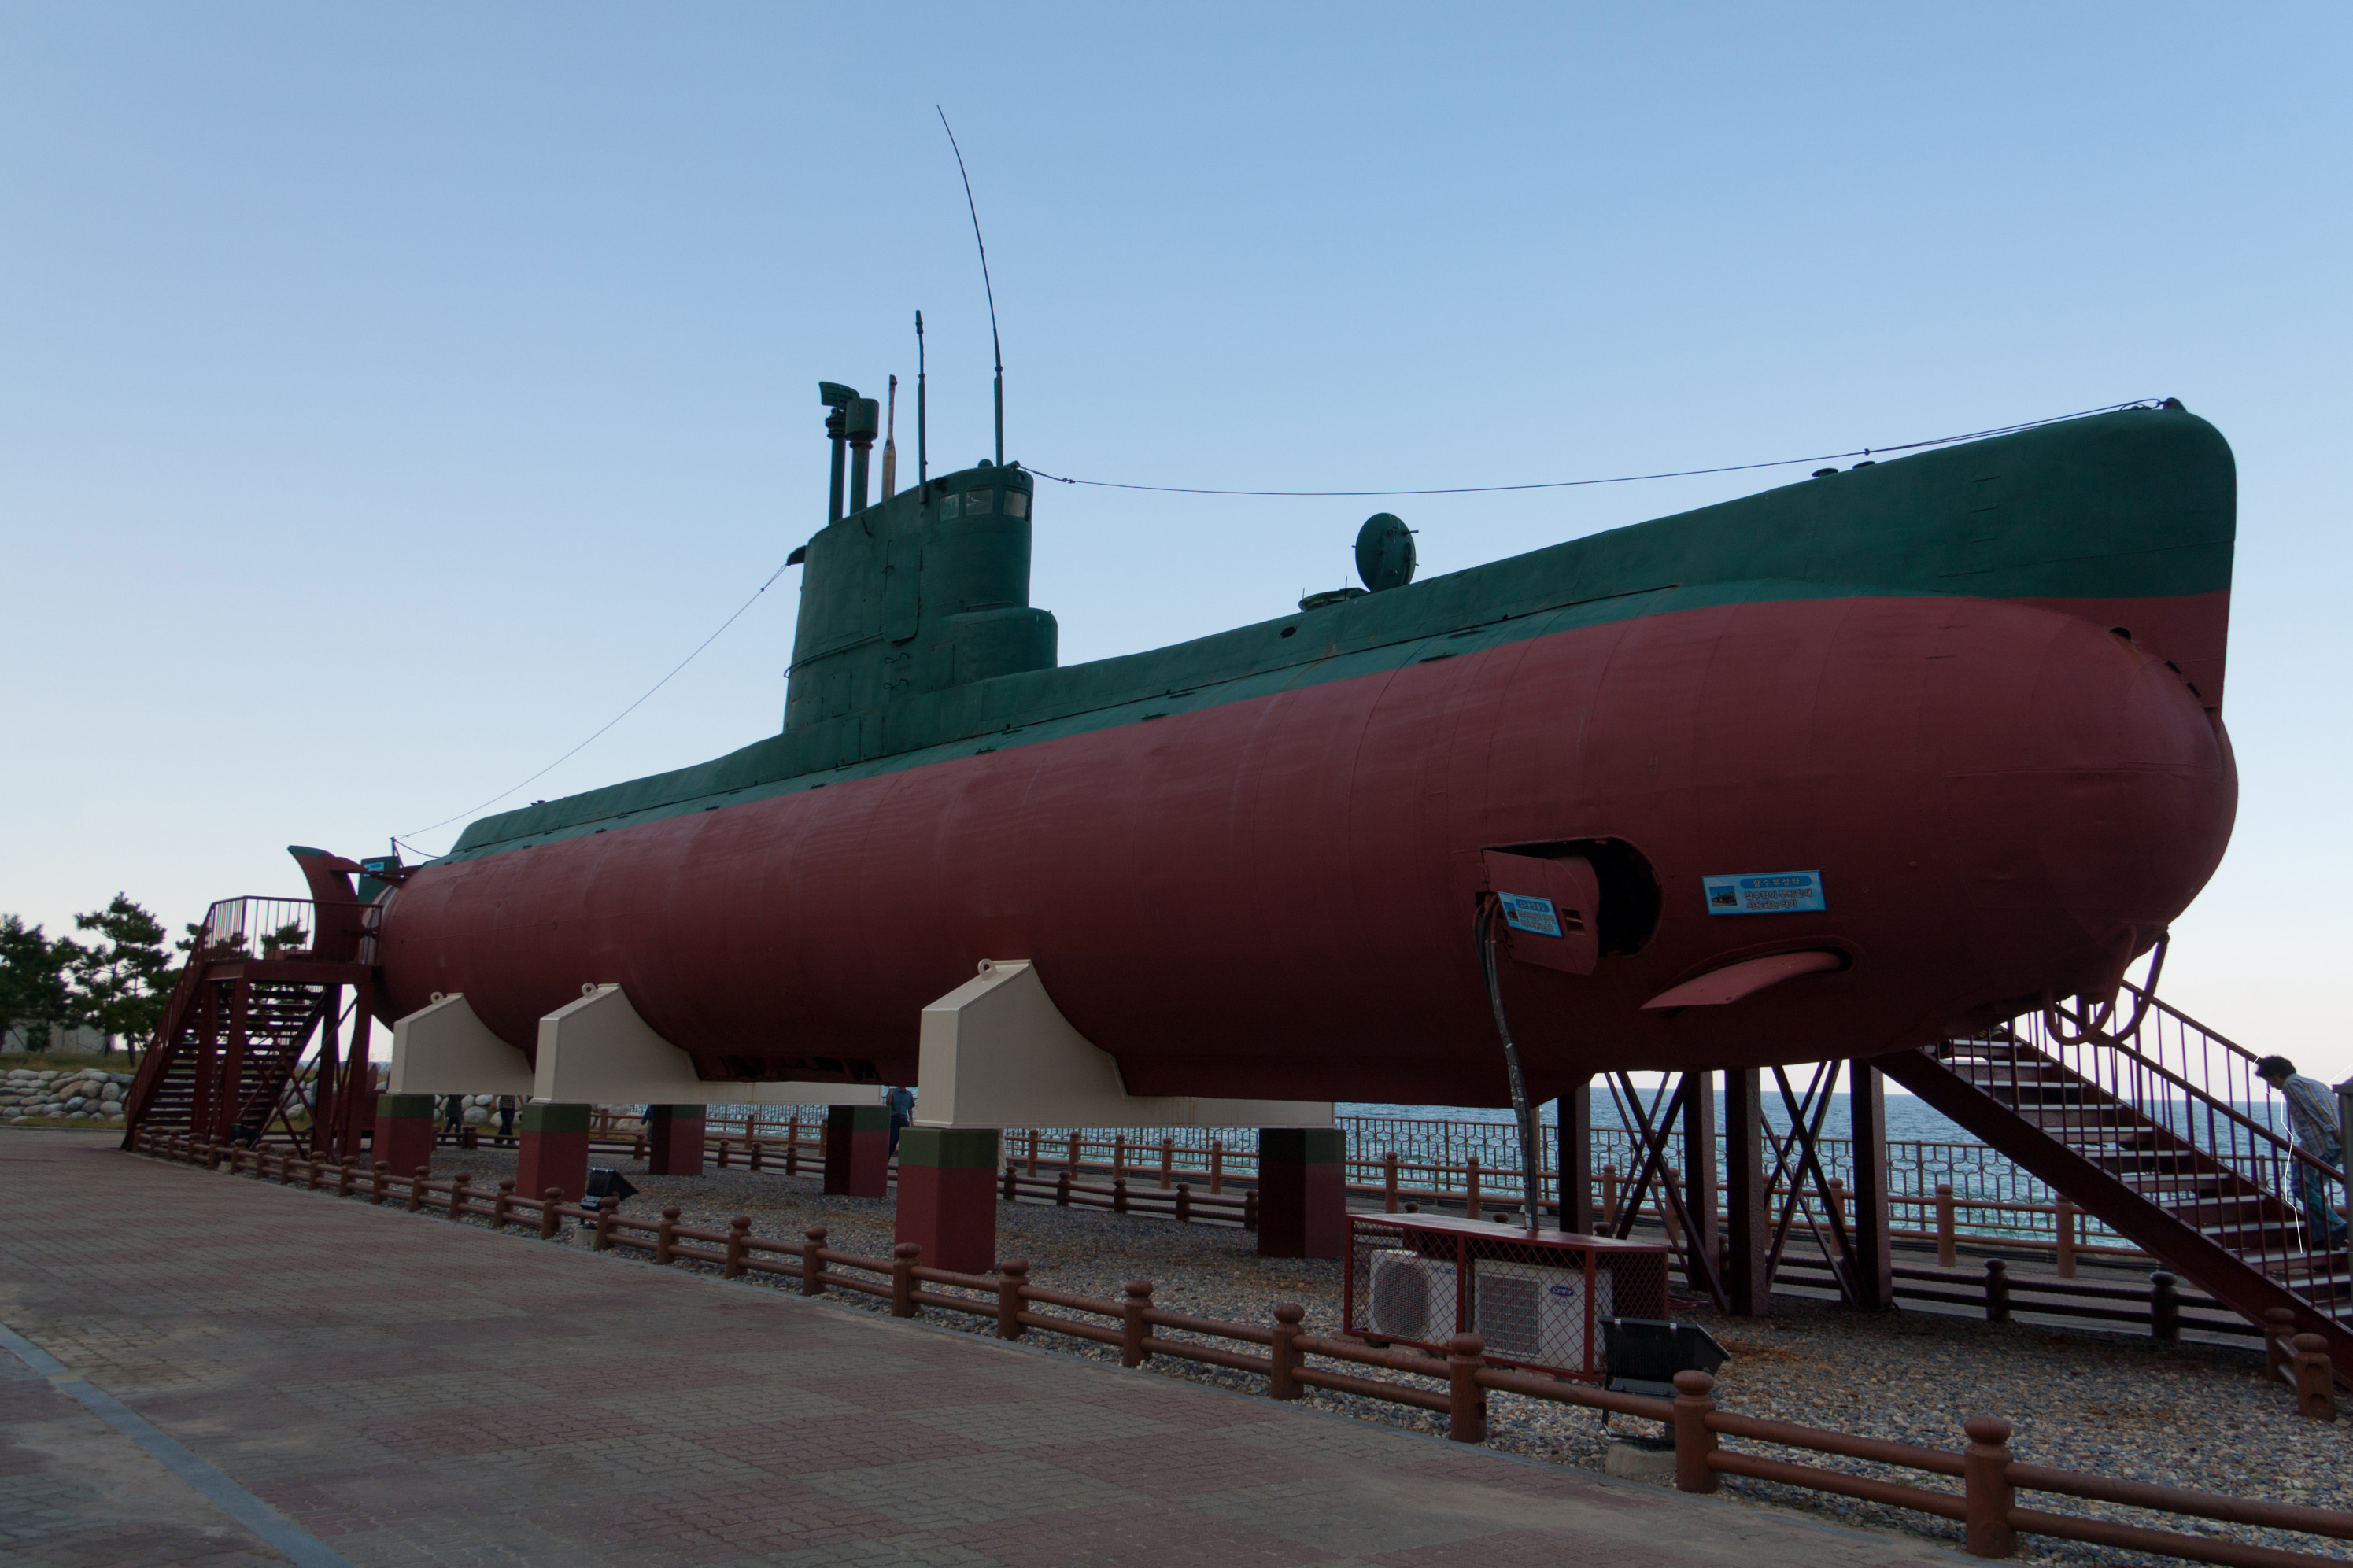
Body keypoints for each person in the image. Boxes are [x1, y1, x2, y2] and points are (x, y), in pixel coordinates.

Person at [2256, 1056, 2349, 1249]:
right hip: (2331, 1145)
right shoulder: (2315, 1084)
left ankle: (2336, 1225)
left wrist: (2334, 1130)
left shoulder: (2292, 1085)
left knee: (2302, 1188)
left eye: (2269, 1079)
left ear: (2277, 1074)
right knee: (2312, 1189)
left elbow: (2317, 1110)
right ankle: (2321, 1238)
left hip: (2320, 1144)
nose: (2270, 1085)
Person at [886, 1085, 915, 1155]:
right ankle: (886, 1160)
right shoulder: (893, 1091)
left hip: (904, 1119)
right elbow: (888, 1104)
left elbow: (910, 1108)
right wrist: (890, 1095)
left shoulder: (909, 1094)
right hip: (894, 1118)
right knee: (892, 1142)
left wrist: (911, 1121)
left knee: (907, 1141)